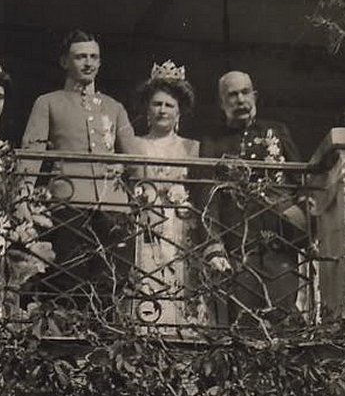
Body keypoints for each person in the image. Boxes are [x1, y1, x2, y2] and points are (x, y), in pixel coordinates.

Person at [20, 30, 140, 317]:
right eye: (80, 56)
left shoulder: (114, 106)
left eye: (94, 57)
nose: (88, 63)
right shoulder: (48, 102)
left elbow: (134, 155)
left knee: (109, 280)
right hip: (68, 201)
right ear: (65, 61)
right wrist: (22, 194)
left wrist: (129, 173)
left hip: (112, 204)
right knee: (68, 277)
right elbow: (32, 151)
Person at [198, 70, 304, 326]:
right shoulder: (212, 140)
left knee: (283, 314)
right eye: (232, 95)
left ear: (254, 95)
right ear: (222, 103)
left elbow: (301, 181)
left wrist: (304, 221)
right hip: (238, 242)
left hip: (280, 238)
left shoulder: (277, 130)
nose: (240, 100)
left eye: (245, 92)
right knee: (244, 318)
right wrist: (213, 244)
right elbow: (206, 193)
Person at [130, 60, 202, 327]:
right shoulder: (135, 144)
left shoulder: (192, 147)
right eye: (156, 104)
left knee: (180, 279)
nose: (162, 110)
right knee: (148, 276)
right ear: (147, 109)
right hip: (146, 224)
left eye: (169, 105)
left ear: (179, 112)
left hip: (181, 224)